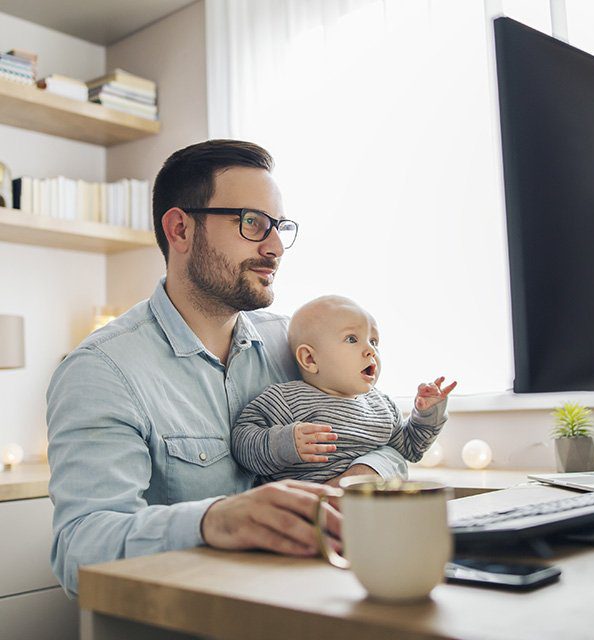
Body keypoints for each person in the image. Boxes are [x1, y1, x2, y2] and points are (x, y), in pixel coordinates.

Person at [46, 140, 407, 597]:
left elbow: (392, 441)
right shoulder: (101, 371)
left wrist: (362, 476)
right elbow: (79, 550)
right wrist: (212, 520)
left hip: (318, 601)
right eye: (252, 223)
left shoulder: (296, 345)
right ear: (180, 229)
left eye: (279, 227)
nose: (275, 247)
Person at [231, 295, 456, 483]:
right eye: (352, 339)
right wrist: (284, 443)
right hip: (301, 515)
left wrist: (427, 413)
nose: (370, 351)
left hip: (365, 513)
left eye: (374, 342)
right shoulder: (286, 400)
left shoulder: (383, 407)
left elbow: (410, 449)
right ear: (309, 358)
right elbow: (242, 441)